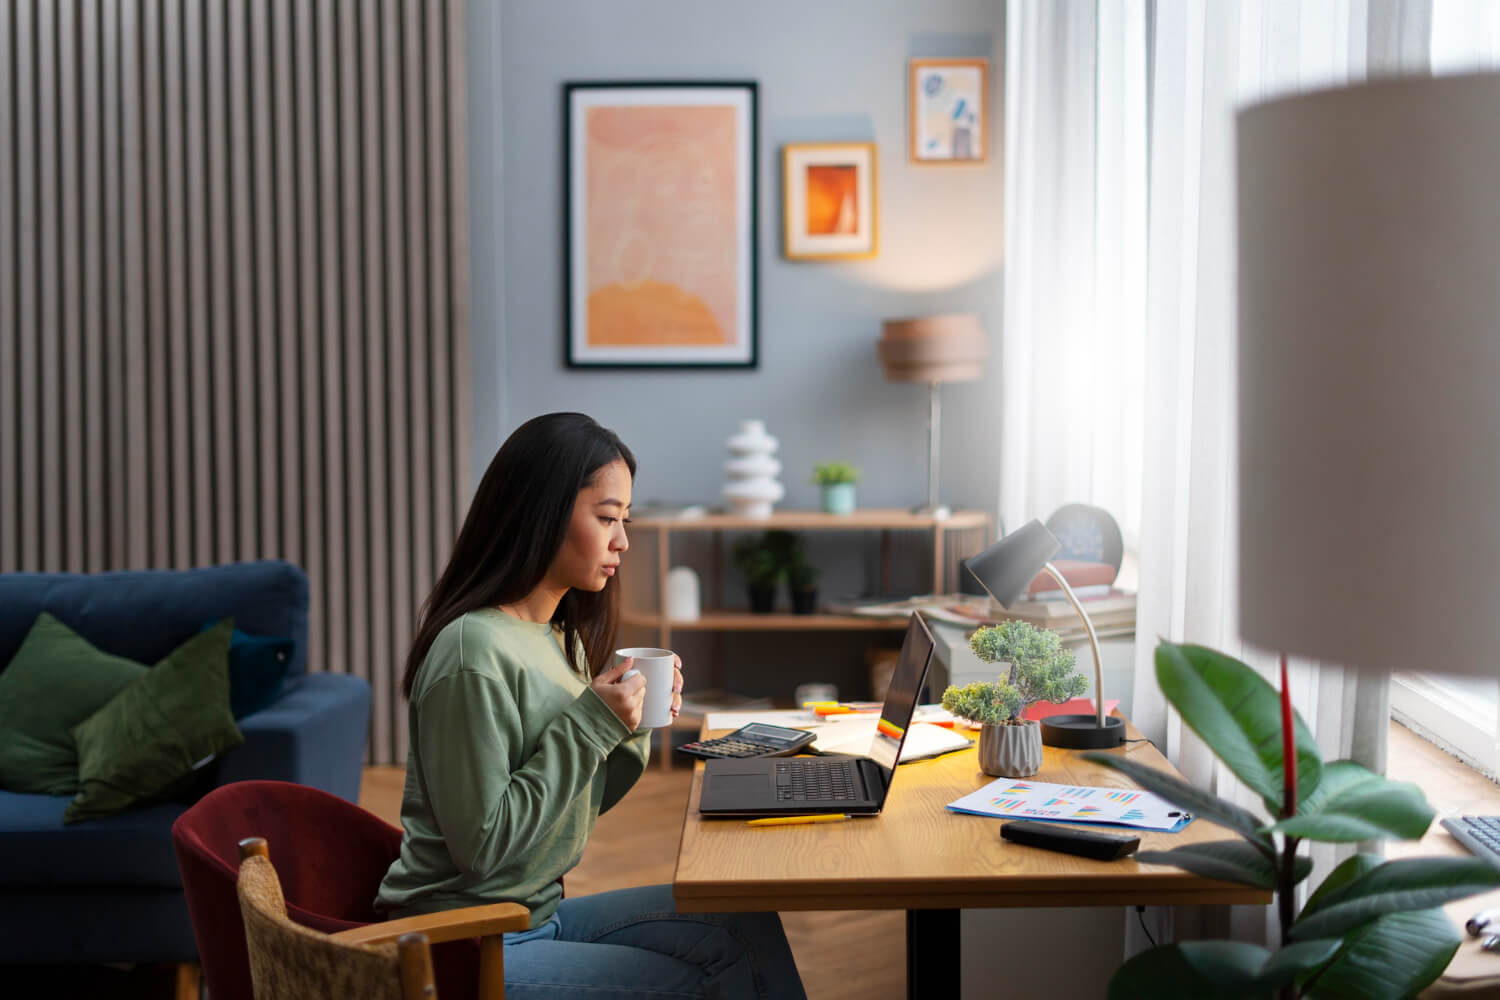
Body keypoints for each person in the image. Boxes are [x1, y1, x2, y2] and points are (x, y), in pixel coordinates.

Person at [376, 412, 806, 1000]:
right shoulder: (470, 651)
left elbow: (571, 807)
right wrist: (592, 723)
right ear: (543, 511)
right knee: (687, 986)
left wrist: (629, 726)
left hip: (533, 918)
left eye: (624, 520)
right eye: (607, 518)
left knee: (744, 920)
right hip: (464, 943)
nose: (622, 541)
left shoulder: (559, 635)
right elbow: (483, 849)